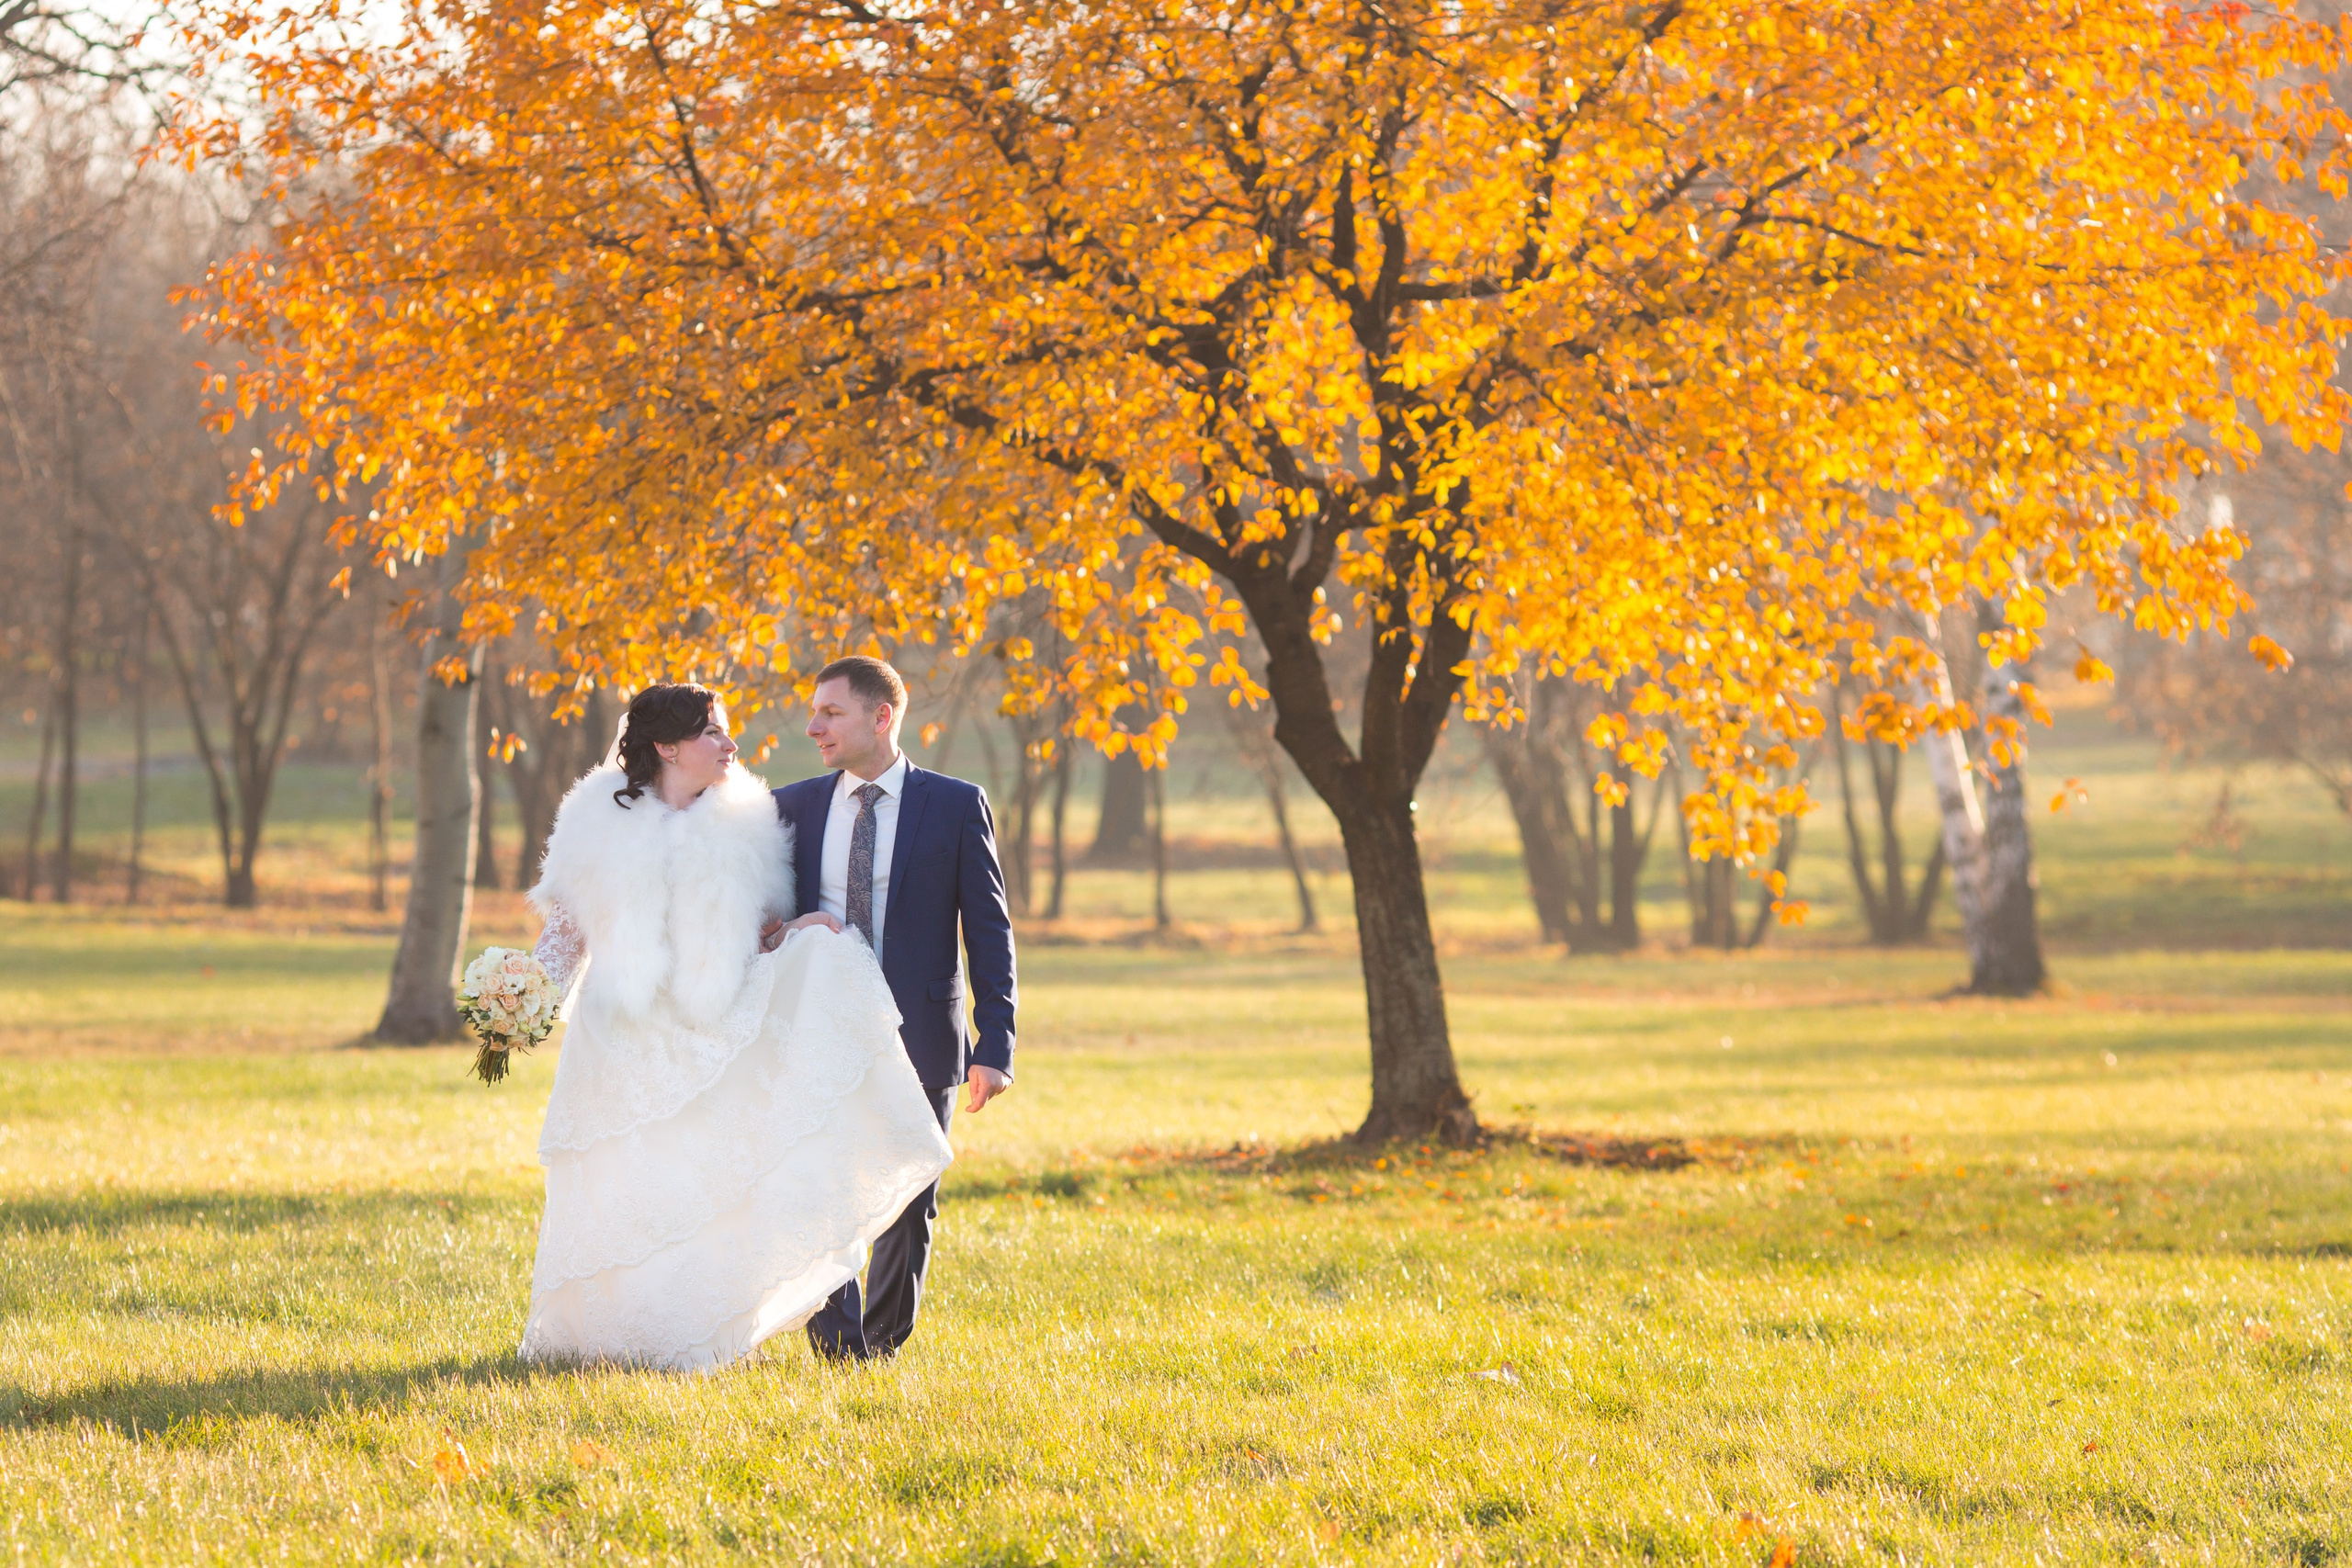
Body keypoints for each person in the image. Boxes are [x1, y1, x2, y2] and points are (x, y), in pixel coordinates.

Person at [515, 682, 953, 1371]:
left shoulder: (749, 823)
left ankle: (687, 1332)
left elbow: (751, 939)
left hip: (701, 1033)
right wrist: (520, 1001)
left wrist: (797, 933)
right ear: (667, 745)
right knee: (620, 1177)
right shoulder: (594, 821)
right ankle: (599, 1336)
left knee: (693, 1177)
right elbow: (566, 936)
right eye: (714, 732)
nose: (731, 744)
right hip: (618, 1034)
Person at [767, 655, 1018, 1361]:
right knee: (823, 1190)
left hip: (922, 1035)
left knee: (910, 1198)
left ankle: (881, 1345)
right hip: (818, 1027)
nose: (814, 725)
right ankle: (840, 1345)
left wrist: (993, 1043)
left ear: (882, 717)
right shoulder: (793, 808)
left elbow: (990, 932)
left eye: (831, 712)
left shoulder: (956, 804)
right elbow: (760, 922)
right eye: (814, 712)